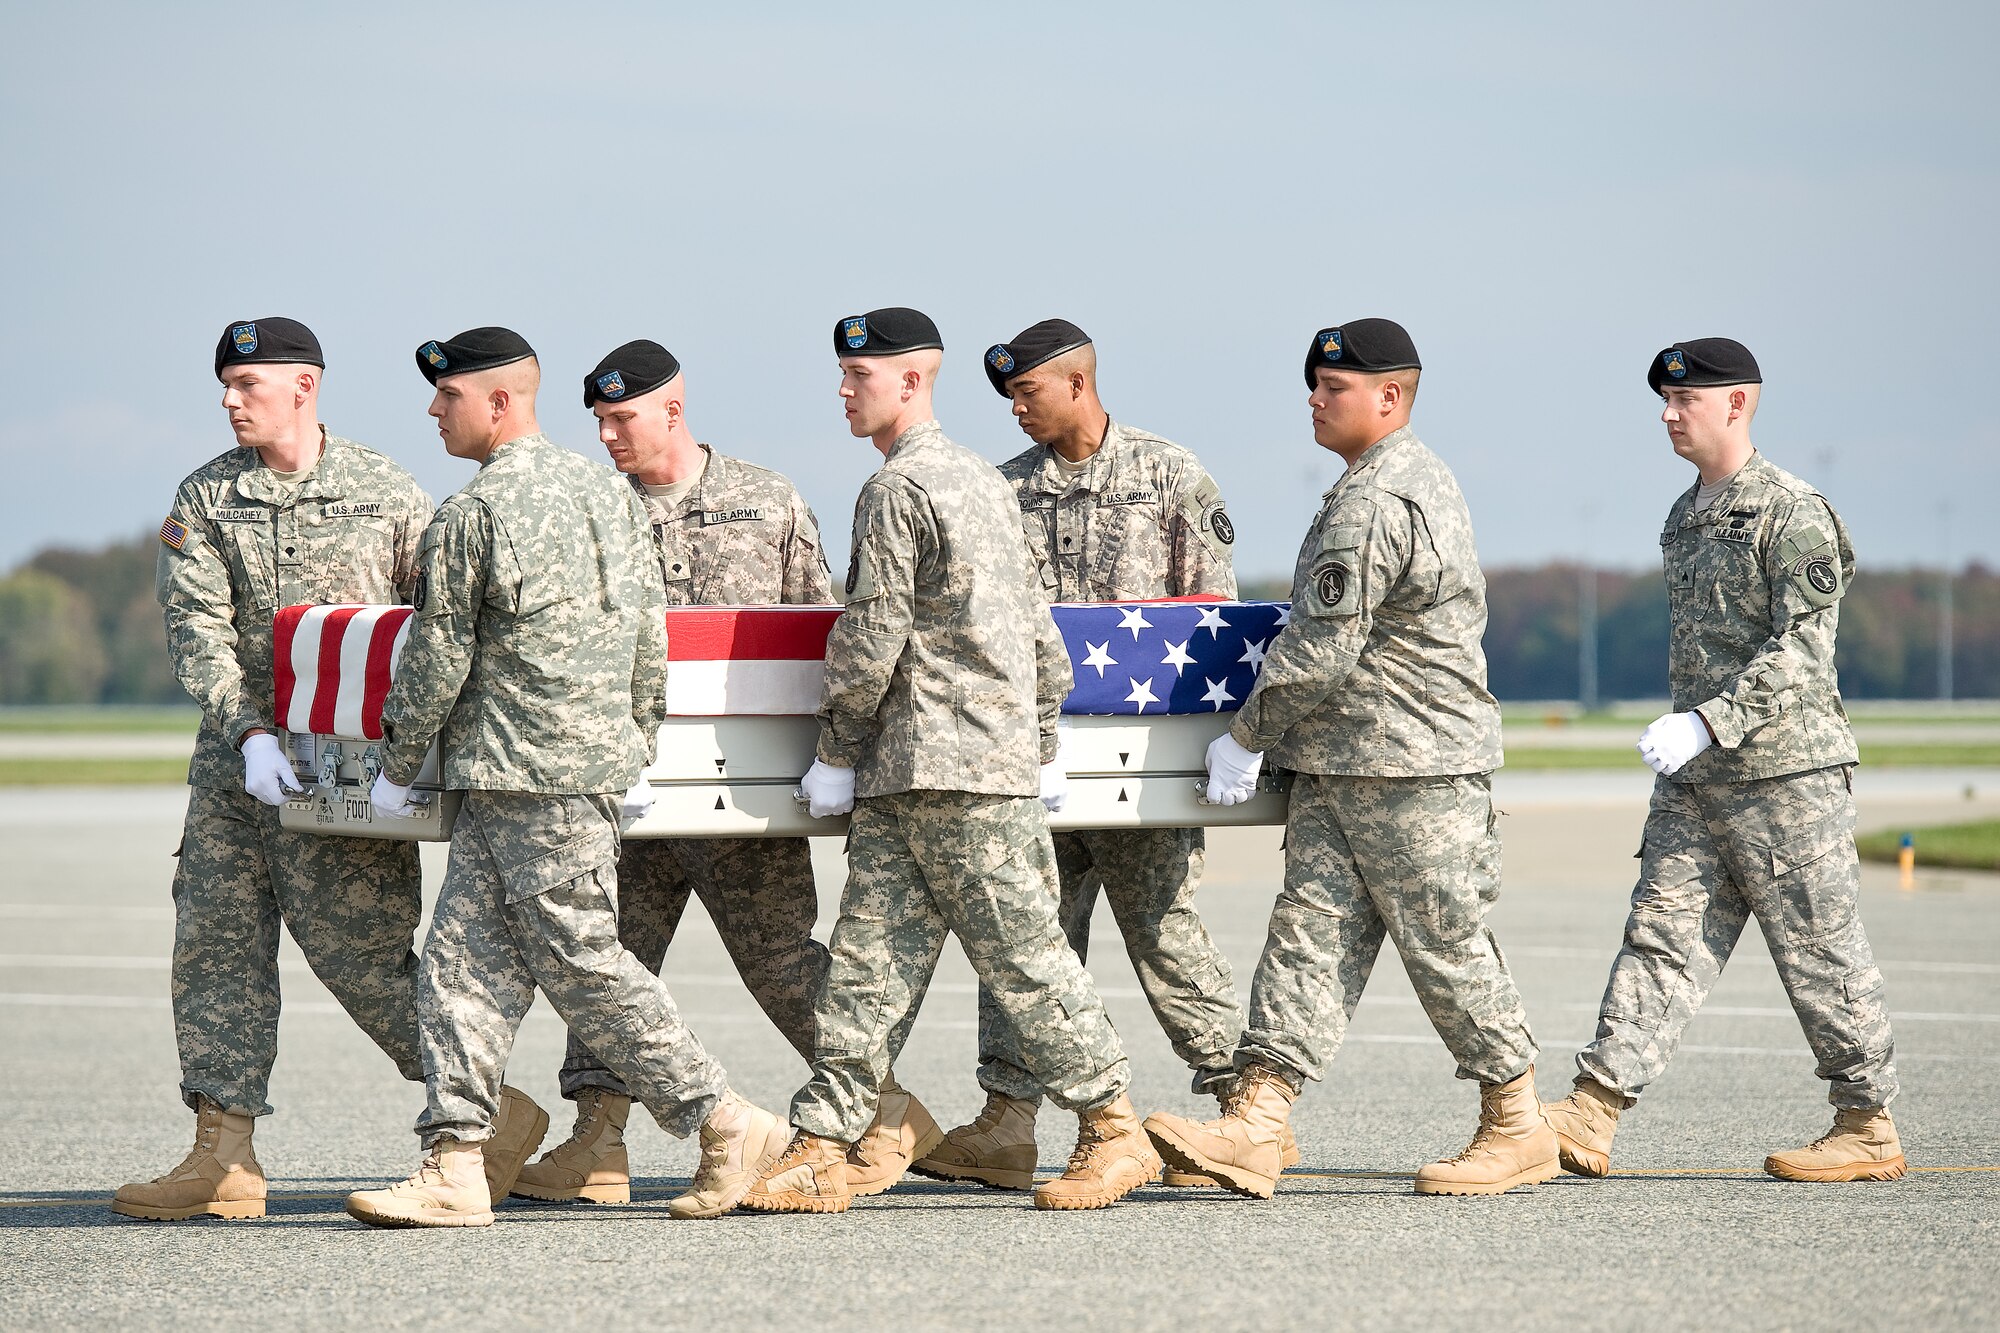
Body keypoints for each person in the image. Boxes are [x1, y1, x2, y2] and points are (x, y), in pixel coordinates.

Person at [344, 327, 786, 1228]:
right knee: (462, 965)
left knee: (584, 963)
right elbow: (649, 634)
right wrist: (632, 738)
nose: (434, 410)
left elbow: (437, 659)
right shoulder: (607, 495)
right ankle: (456, 1160)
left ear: (499, 403)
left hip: (523, 773)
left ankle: (722, 1118)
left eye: (450, 396)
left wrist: (395, 762)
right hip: (562, 771)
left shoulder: (472, 515)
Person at [740, 307, 1160, 1214]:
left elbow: (871, 632)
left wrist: (835, 749)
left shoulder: (898, 490)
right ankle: (824, 1141)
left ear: (911, 380)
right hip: (941, 770)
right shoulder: (982, 483)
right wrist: (1038, 739)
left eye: (862, 377)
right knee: (867, 964)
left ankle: (1115, 1128)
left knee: (1025, 958)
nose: (846, 392)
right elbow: (1040, 634)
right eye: (845, 375)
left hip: (941, 765)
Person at [1143, 319, 1557, 1198]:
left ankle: (1518, 1123)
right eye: (1317, 384)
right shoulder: (1386, 483)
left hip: (1412, 768)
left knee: (1445, 946)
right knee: (1307, 938)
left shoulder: (1377, 500)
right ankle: (1258, 1122)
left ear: (1390, 397)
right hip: (1350, 766)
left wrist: (1244, 737)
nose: (1316, 399)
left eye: (1334, 387)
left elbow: (1320, 648)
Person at [115, 317, 490, 1220]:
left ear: (304, 386)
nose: (229, 399)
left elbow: (433, 626)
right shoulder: (205, 498)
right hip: (235, 767)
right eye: (225, 383)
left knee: (363, 960)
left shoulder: (387, 492)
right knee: (215, 946)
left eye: (248, 383)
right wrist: (245, 732)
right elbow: (194, 628)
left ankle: (485, 1115)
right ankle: (224, 1157)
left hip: (350, 769)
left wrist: (416, 751)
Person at [1541, 338, 1903, 1183]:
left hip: (1786, 776)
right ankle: (1593, 1108)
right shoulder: (1685, 513)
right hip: (1699, 780)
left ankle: (1867, 1121)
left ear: (1736, 404)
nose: (1668, 414)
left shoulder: (1792, 510)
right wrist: (1694, 739)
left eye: (1684, 400)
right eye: (1664, 400)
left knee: (1819, 949)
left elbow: (1803, 650)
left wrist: (1709, 721)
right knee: (1659, 939)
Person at [917, 318, 1257, 1193]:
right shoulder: (1001, 492)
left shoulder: (1170, 476)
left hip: (1140, 763)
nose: (1016, 408)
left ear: (1078, 382)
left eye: (1028, 391)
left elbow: (1211, 618)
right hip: (1030, 755)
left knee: (1165, 932)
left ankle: (1241, 1111)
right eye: (1008, 396)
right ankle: (1008, 1119)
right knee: (1025, 938)